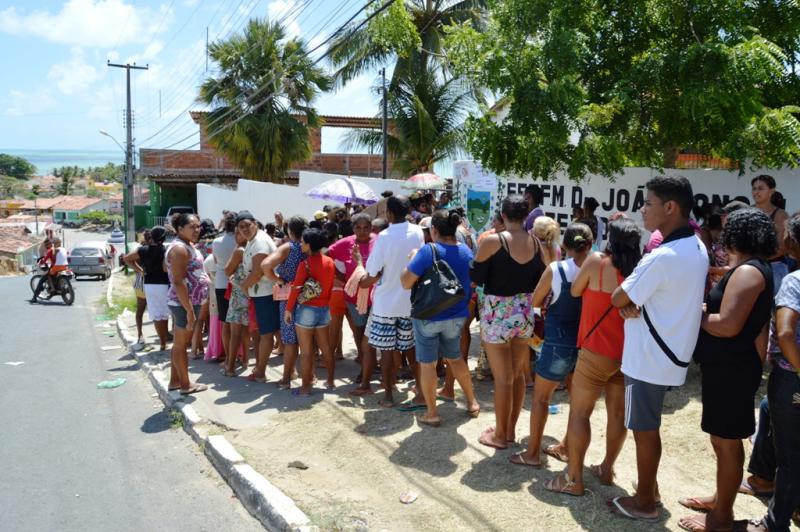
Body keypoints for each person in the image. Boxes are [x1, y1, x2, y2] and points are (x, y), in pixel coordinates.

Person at [609, 176, 709, 522]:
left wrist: (627, 302)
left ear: (670, 207)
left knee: (644, 430)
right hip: (670, 353)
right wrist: (630, 302)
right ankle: (648, 490)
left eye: (648, 203)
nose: (642, 210)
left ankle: (644, 502)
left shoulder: (662, 256)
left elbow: (618, 297)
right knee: (647, 427)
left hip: (647, 357)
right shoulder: (696, 246)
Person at [676, 209, 776, 532]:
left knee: (727, 443)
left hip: (732, 370)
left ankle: (721, 518)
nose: (723, 233)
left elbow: (728, 325)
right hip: (732, 368)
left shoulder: (748, 272)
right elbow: (755, 328)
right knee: (722, 441)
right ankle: (720, 499)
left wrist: (696, 313)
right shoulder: (753, 268)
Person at [543, 219, 642, 493]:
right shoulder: (640, 269)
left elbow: (576, 290)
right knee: (617, 414)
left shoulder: (597, 262)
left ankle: (573, 479)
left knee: (579, 413)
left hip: (595, 350)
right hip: (626, 354)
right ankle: (607, 468)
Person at [512, 222, 592, 468]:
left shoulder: (556, 270)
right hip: (586, 345)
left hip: (558, 343)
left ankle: (532, 454)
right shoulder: (599, 268)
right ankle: (566, 448)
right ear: (590, 244)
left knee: (540, 399)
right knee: (578, 406)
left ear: (564, 245)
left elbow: (535, 301)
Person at [470, 195, 546, 449]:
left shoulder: (493, 241)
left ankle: (500, 436)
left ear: (503, 215)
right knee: (518, 374)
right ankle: (509, 430)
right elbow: (542, 278)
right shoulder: (537, 243)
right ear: (526, 216)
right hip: (524, 312)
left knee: (503, 378)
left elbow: (476, 277)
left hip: (497, 313)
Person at [400, 209, 480, 426]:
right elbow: (472, 282)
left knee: (428, 364)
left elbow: (405, 282)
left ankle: (432, 413)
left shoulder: (428, 251)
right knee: (455, 358)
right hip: (456, 315)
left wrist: (412, 260)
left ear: (434, 230)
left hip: (428, 315)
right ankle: (472, 402)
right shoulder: (466, 251)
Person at [749, 212, 800, 532]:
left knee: (790, 457)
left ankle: (774, 523)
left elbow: (785, 333)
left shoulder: (794, 281)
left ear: (792, 241)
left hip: (791, 377)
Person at [360, 195, 425, 408]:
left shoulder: (384, 236)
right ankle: (420, 390)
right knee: (412, 350)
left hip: (386, 304)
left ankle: (388, 396)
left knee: (387, 352)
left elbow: (372, 270)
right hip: (411, 301)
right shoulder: (418, 232)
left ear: (388, 213)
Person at [284, 228, 337, 394]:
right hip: (324, 309)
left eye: (302, 242)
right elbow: (329, 287)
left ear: (308, 245)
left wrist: (288, 309)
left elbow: (295, 289)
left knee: (306, 351)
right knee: (326, 348)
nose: (301, 244)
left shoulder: (305, 264)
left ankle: (305, 387)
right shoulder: (330, 261)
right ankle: (330, 381)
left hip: (307, 309)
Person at [166, 213, 211, 395]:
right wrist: (189, 311)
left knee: (179, 343)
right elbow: (178, 281)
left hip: (188, 302)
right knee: (181, 345)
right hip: (184, 304)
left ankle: (175, 381)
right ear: (180, 229)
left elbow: (167, 268)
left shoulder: (185, 245)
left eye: (198, 226)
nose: (196, 230)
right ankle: (186, 385)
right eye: (192, 227)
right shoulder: (180, 249)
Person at [260, 216, 308, 388]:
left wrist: (278, 279)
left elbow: (265, 265)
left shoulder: (289, 247)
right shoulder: (310, 246)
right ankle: (307, 376)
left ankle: (286, 378)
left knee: (290, 339)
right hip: (309, 296)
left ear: (289, 230)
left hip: (289, 297)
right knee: (308, 340)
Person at [326, 213, 375, 380]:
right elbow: (327, 256)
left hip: (376, 298)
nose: (362, 231)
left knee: (375, 335)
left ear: (371, 228)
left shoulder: (378, 241)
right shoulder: (345, 243)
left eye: (366, 227)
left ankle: (372, 366)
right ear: (353, 228)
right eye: (358, 227)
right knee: (360, 333)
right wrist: (343, 277)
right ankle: (364, 366)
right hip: (354, 299)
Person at [237, 211, 279, 383]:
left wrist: (243, 286)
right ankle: (288, 372)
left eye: (248, 225)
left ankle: (261, 372)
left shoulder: (260, 242)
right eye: (241, 227)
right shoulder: (253, 240)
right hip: (261, 293)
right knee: (274, 333)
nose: (245, 229)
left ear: (255, 223)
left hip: (265, 293)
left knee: (266, 334)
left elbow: (257, 272)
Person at [123, 226, 170, 351]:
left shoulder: (143, 250)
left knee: (156, 315)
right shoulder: (166, 249)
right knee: (164, 314)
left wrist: (140, 270)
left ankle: (162, 342)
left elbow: (126, 259)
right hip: (164, 284)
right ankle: (164, 341)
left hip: (149, 284)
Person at [751, 174, 789, 294]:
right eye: (754, 188)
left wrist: (756, 259)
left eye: (760, 188)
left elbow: (783, 246)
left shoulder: (780, 215)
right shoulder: (746, 212)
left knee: (773, 305)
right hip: (749, 267)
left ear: (772, 191)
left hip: (774, 267)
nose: (756, 192)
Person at [223, 227, 251, 377]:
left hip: (239, 294)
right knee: (246, 331)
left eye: (238, 233)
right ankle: (245, 360)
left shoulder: (239, 250)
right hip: (251, 293)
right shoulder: (254, 249)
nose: (235, 236)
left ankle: (230, 366)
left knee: (235, 333)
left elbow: (227, 270)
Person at [212, 213, 237, 363]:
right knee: (239, 323)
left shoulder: (216, 241)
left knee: (225, 322)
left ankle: (228, 357)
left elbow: (215, 261)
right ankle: (241, 356)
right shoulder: (241, 241)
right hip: (238, 282)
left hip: (221, 282)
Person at [31, 237, 68, 303]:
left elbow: (44, 260)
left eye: (46, 244)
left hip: (55, 267)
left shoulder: (50, 250)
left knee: (42, 280)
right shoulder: (59, 249)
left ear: (49, 244)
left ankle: (34, 298)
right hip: (64, 266)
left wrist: (41, 262)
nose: (46, 246)